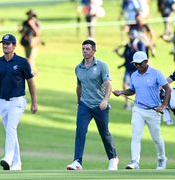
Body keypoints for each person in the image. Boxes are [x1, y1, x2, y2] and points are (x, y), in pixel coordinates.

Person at [0, 34, 38, 171]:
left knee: (10, 129)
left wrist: (34, 102)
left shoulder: (22, 62)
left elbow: (31, 82)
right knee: (11, 132)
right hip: (2, 102)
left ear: (14, 46)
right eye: (3, 44)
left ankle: (8, 157)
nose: (5, 46)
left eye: (8, 44)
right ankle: (17, 163)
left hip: (17, 101)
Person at [113, 51, 171, 170]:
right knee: (136, 135)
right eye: (135, 64)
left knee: (156, 138)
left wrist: (163, 106)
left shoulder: (156, 73)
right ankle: (135, 162)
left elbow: (168, 89)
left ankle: (161, 159)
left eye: (139, 63)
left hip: (153, 111)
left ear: (146, 61)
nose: (137, 66)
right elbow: (133, 90)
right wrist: (122, 92)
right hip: (138, 109)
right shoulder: (134, 75)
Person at [66, 39, 119, 171]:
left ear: (94, 50)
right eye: (83, 49)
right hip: (84, 105)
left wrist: (105, 100)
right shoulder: (78, 68)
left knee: (104, 133)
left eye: (88, 49)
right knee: (80, 131)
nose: (85, 51)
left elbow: (108, 84)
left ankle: (113, 158)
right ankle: (77, 161)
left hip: (100, 105)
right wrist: (79, 102)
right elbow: (79, 86)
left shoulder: (102, 66)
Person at [114, 30, 146, 110]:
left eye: (132, 35)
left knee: (138, 87)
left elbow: (143, 56)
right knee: (124, 85)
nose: (130, 37)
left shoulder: (140, 44)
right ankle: (127, 104)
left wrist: (136, 48)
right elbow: (125, 56)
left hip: (137, 70)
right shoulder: (128, 45)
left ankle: (140, 103)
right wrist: (117, 52)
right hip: (128, 69)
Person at [19, 9, 41, 75]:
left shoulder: (36, 23)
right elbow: (22, 32)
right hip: (26, 42)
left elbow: (38, 33)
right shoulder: (25, 23)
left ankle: (31, 71)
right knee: (28, 57)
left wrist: (33, 25)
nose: (31, 17)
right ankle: (31, 71)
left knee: (32, 57)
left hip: (34, 42)